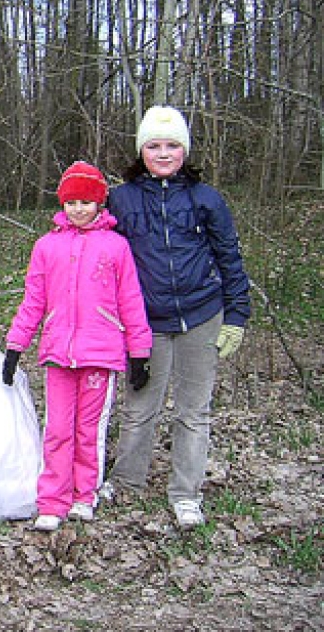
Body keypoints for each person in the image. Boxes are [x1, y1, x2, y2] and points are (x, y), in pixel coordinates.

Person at [101, 106, 251, 529]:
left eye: (171, 145)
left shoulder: (207, 199)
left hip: (202, 315)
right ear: (141, 151)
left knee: (193, 411)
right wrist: (109, 318)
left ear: (184, 150)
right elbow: (104, 259)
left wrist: (236, 315)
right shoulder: (121, 199)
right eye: (154, 145)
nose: (163, 153)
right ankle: (127, 481)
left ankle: (186, 493)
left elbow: (230, 259)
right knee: (140, 407)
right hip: (145, 322)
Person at [1, 161, 152, 531]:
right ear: (62, 204)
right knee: (57, 429)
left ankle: (85, 494)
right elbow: (33, 300)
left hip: (100, 355)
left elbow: (131, 301)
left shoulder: (116, 247)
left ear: (99, 204)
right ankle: (52, 499)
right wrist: (15, 345)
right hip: (58, 354)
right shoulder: (47, 247)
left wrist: (139, 353)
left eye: (86, 202)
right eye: (72, 202)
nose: (79, 209)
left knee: (90, 429)